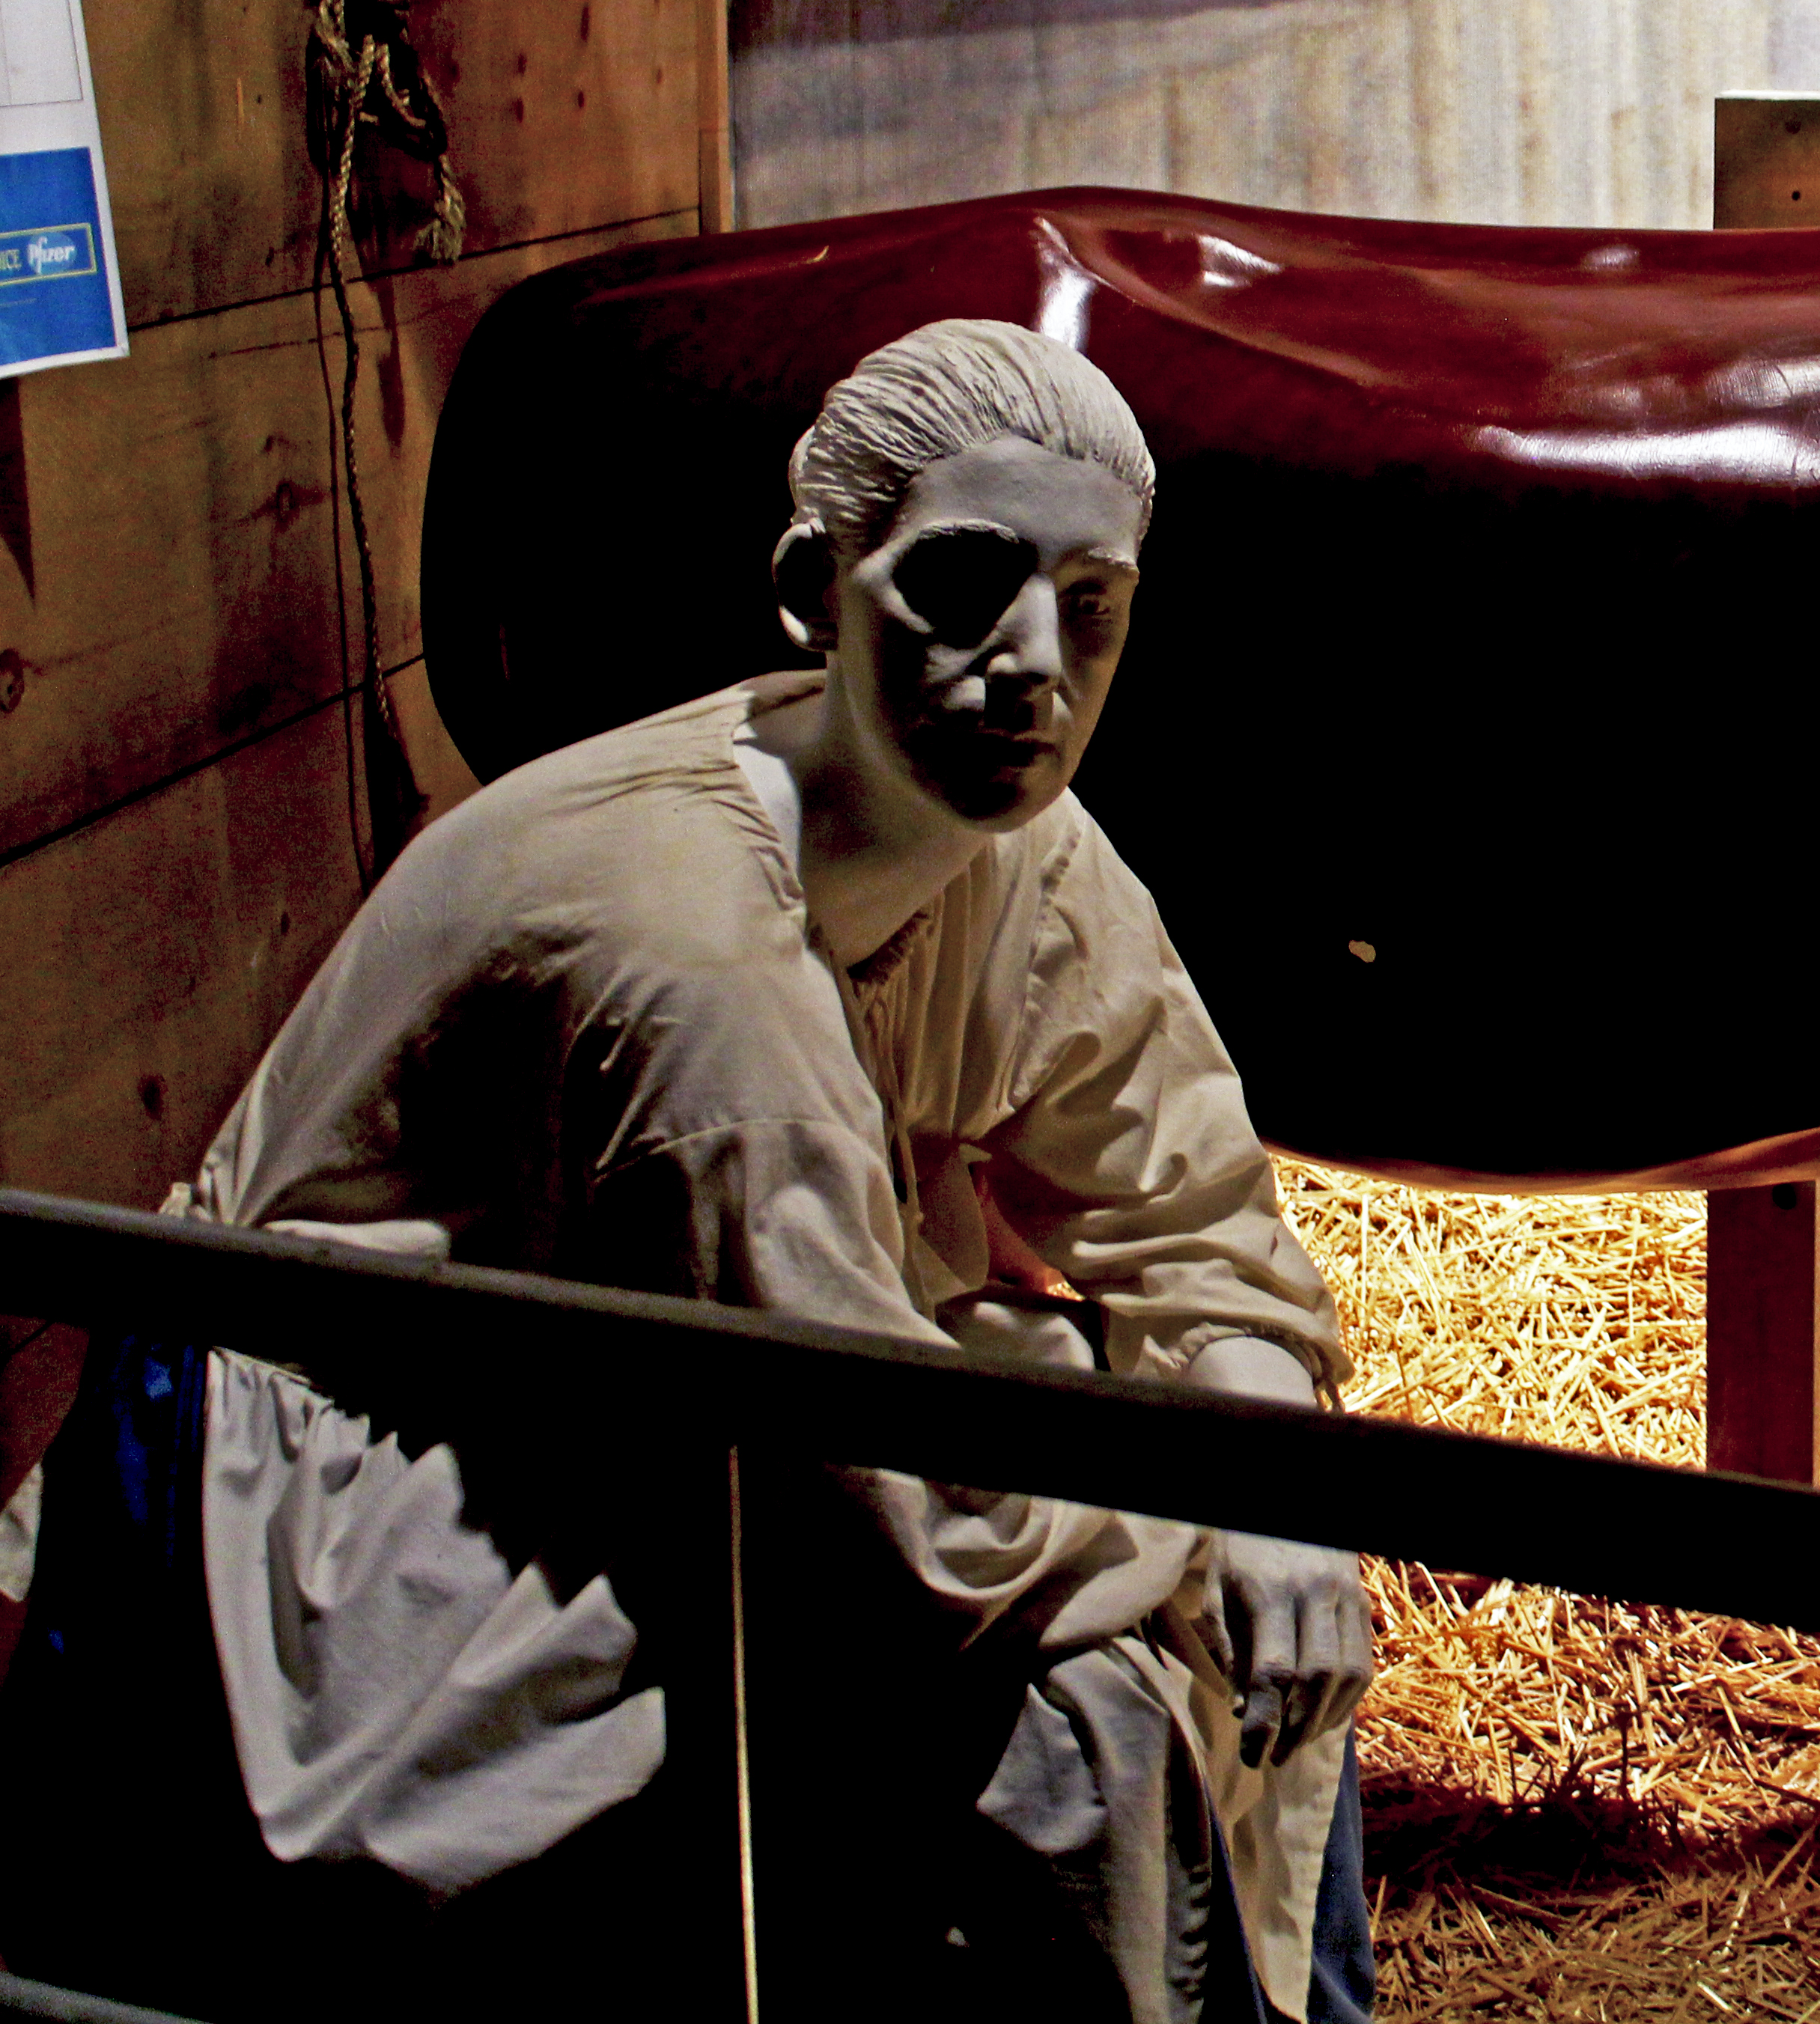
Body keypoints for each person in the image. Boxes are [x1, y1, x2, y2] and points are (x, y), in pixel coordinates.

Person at [0, 320, 1375, 2023]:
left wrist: (1265, 1469)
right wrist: (1203, 1503)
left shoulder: (1019, 847)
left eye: (1089, 604)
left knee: (1242, 1604)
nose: (1033, 661)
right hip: (399, 1473)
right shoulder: (692, 952)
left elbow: (1191, 1215)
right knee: (1067, 1731)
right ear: (815, 588)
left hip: (726, 1394)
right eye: (963, 582)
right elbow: (895, 1541)